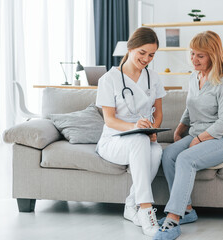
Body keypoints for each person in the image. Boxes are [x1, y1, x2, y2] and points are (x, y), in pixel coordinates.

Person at [153, 31, 223, 240]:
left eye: (200, 56)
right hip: (197, 132)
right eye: (192, 54)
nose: (194, 60)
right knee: (168, 155)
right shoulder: (194, 77)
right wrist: (180, 129)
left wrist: (198, 139)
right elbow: (190, 107)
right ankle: (187, 210)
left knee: (185, 158)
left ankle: (173, 220)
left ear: (213, 55)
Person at [95, 27, 166, 237]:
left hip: (143, 136)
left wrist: (153, 130)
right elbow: (110, 119)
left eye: (151, 55)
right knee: (138, 141)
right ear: (131, 47)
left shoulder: (153, 77)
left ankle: (130, 205)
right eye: (142, 53)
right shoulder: (109, 79)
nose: (146, 59)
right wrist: (136, 128)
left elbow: (159, 113)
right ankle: (145, 210)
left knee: (157, 151)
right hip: (114, 140)